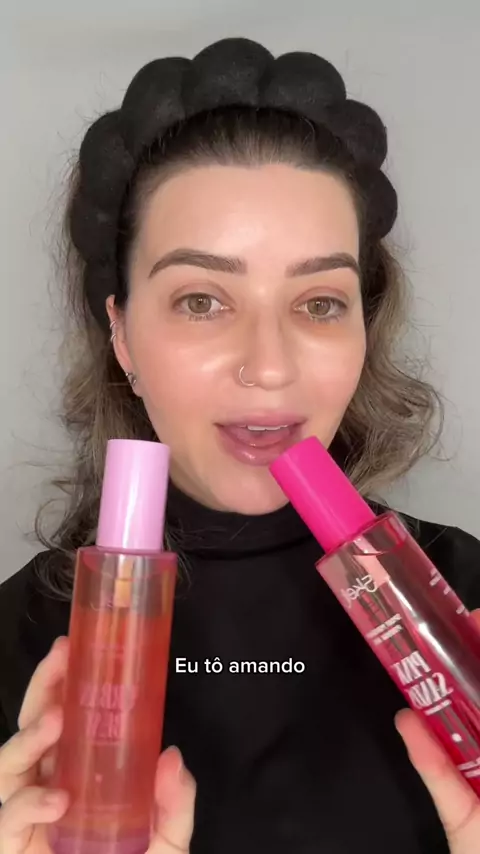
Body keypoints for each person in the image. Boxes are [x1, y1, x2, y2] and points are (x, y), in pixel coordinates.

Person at [0, 36, 479, 854]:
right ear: (122, 335)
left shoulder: (464, 599)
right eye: (201, 301)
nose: (270, 365)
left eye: (320, 303)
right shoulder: (17, 644)